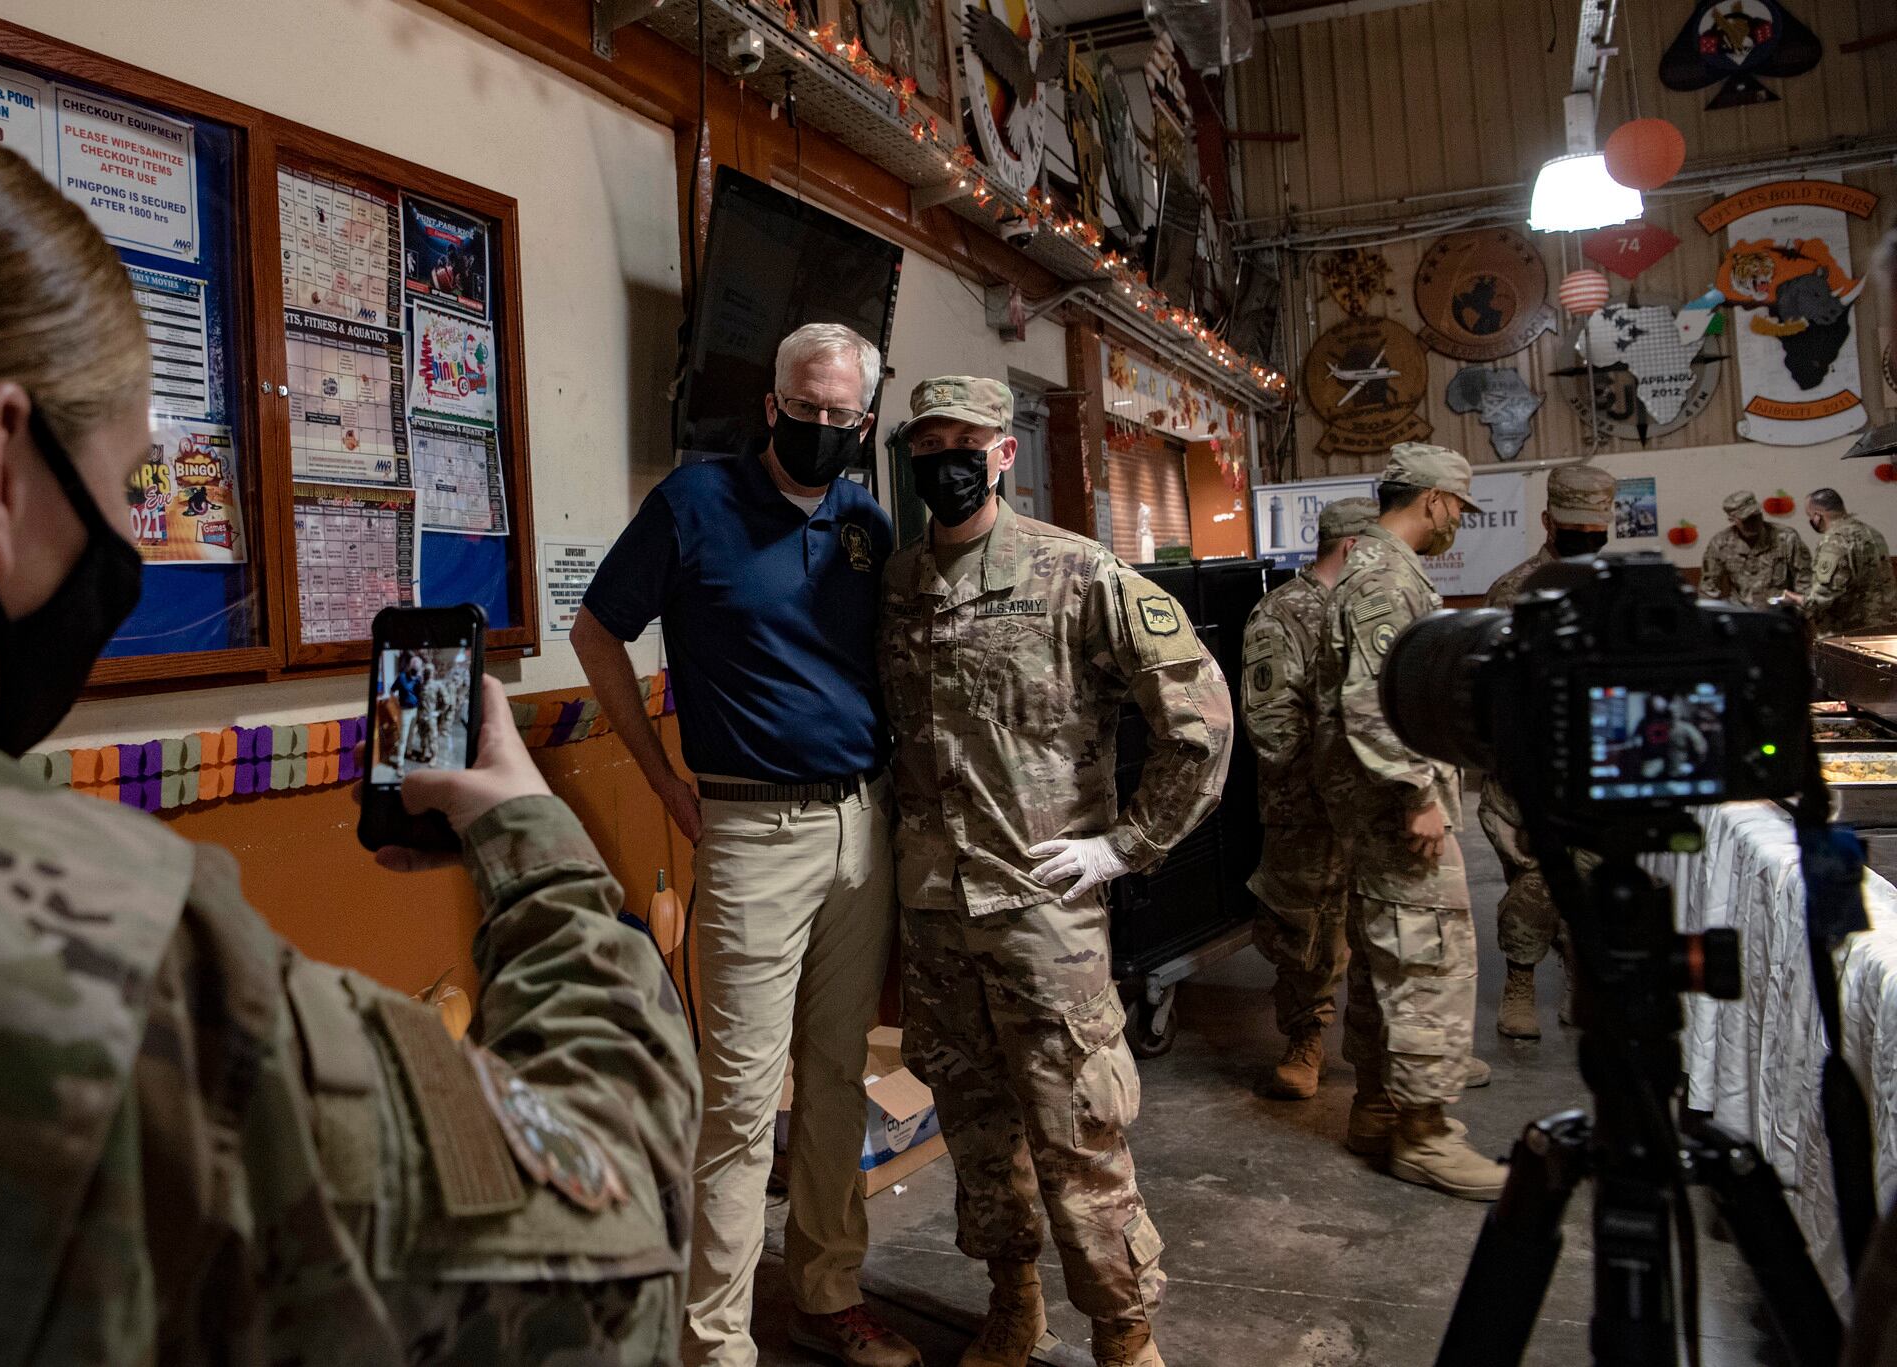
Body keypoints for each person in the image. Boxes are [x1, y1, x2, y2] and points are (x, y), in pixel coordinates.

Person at [0, 95, 698, 1364]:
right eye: (136, 483)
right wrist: (529, 835)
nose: (137, 539)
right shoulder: (99, 961)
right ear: (1, 471)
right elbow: (609, 1235)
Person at [572, 324, 913, 1367]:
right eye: (804, 407)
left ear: (863, 418)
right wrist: (661, 777)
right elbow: (595, 631)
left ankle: (825, 1286)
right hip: (747, 829)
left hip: (862, 824)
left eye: (841, 415)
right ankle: (714, 1339)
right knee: (737, 1095)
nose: (822, 427)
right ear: (772, 405)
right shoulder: (693, 504)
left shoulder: (864, 520)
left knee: (836, 1073)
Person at [881, 376, 1234, 1367]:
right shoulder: (898, 585)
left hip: (1044, 908)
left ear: (1002, 453)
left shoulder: (1075, 573)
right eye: (928, 443)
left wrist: (1126, 843)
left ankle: (1125, 1329)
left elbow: (1198, 718)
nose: (946, 458)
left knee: (1078, 1125)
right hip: (934, 907)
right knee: (973, 1123)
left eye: (967, 441)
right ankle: (1011, 1299)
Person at [1315, 442, 1508, 1202]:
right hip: (1393, 806)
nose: (1457, 520)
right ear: (1432, 499)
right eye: (1457, 507)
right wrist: (1417, 792)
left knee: (1386, 954)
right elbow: (1372, 700)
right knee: (1430, 959)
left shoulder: (1375, 570)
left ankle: (1376, 1106)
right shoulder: (1385, 577)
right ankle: (1426, 1134)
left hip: (1376, 804)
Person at [1240, 497, 1373, 1099]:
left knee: (1376, 924)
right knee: (1307, 930)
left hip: (1368, 803)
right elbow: (1273, 729)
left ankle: (1385, 1050)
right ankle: (1306, 1037)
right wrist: (1342, 774)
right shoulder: (1282, 615)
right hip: (1307, 808)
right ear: (1351, 549)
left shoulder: (1367, 610)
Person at [1477, 463, 1616, 1041]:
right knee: (1532, 884)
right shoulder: (1516, 591)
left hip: (1599, 772)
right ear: (1548, 521)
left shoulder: (1619, 587)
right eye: (1576, 531)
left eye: (1596, 533)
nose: (1587, 544)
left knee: (1593, 884)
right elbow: (1489, 694)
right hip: (1526, 775)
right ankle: (1520, 983)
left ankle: (1581, 978)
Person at [1784, 489, 1897, 638]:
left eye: (1810, 516)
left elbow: (1824, 595)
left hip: (1851, 632)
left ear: (1818, 516)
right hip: (1885, 626)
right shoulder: (1872, 532)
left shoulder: (1835, 540)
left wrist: (1796, 599)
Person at [1699, 490, 1811, 608]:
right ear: (1732, 519)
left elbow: (1805, 583)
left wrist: (1798, 613)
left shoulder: (1786, 537)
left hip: (1779, 613)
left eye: (1756, 516)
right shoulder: (1720, 543)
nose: (1753, 523)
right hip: (1741, 614)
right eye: (1746, 519)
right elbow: (1708, 591)